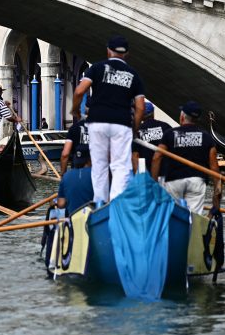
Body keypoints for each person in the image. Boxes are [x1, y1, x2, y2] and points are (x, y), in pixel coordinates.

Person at [72, 34, 146, 204]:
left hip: (97, 122)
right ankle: (116, 202)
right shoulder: (134, 75)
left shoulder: (96, 68)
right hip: (122, 124)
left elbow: (79, 91)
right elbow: (140, 108)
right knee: (120, 166)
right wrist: (134, 128)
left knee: (99, 164)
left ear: (108, 51)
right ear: (126, 54)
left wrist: (75, 110)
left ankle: (99, 202)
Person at [151, 101, 221, 214]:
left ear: (182, 117)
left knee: (173, 215)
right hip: (197, 181)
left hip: (174, 181)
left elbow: (156, 157)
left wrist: (154, 184)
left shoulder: (169, 134)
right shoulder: (207, 137)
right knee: (193, 217)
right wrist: (216, 199)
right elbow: (214, 168)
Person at [55, 109, 94, 214]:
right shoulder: (104, 127)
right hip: (98, 171)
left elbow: (65, 154)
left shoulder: (74, 128)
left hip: (74, 172)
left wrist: (63, 177)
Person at [133, 101, 173, 174]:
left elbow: (135, 156)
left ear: (141, 115)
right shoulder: (165, 126)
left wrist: (140, 178)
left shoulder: (137, 130)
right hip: (164, 173)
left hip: (146, 174)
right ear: (153, 113)